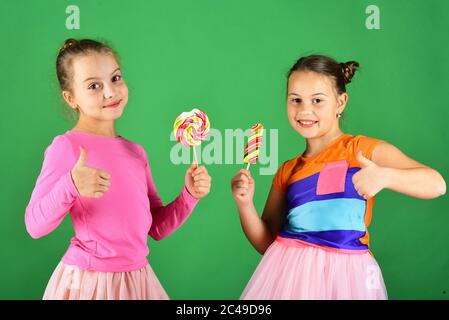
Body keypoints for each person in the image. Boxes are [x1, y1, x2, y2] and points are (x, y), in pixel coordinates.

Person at [231, 54, 446, 299]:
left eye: (317, 100)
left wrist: (385, 176)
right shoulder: (288, 171)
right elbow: (266, 243)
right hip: (288, 281)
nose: (305, 110)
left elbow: (436, 184)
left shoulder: (361, 150)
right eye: (295, 100)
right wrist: (245, 204)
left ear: (341, 102)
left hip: (349, 280)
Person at [25, 38, 212, 300]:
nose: (110, 92)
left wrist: (188, 196)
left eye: (115, 78)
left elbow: (156, 227)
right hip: (90, 283)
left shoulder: (135, 153)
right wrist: (71, 185)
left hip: (138, 280)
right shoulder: (66, 147)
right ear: (70, 98)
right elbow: (34, 225)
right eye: (93, 86)